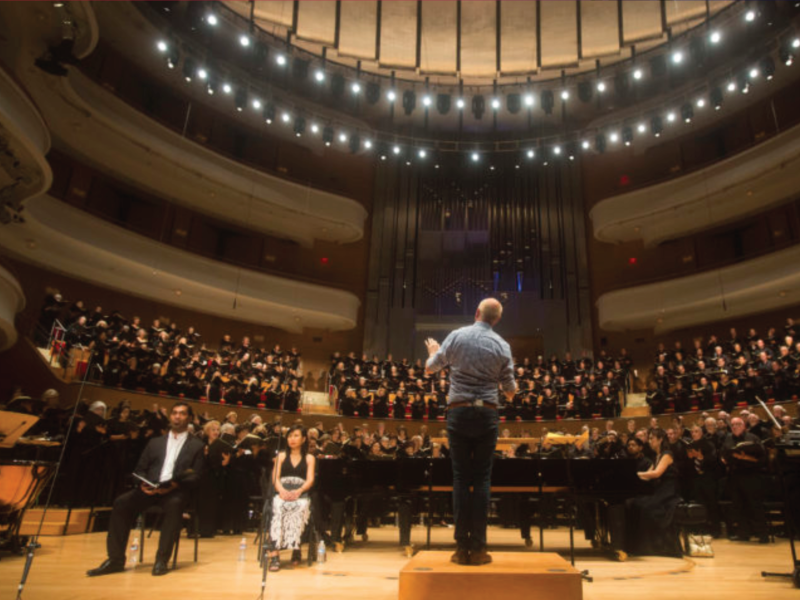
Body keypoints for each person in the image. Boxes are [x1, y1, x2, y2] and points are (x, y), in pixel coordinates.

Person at [425, 298, 516, 566]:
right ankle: (478, 548)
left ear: (476, 313)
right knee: (483, 479)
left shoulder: (457, 336)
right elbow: (510, 391)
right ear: (496, 320)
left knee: (461, 479)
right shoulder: (502, 345)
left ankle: (460, 547)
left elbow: (431, 367)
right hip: (487, 413)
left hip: (459, 411)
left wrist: (434, 350)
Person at [87, 403, 205, 577]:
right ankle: (115, 560)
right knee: (121, 503)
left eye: (182, 414)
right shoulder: (155, 442)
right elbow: (139, 469)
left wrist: (174, 485)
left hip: (174, 491)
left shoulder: (197, 445)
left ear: (188, 418)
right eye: (174, 413)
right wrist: (142, 484)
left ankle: (161, 560)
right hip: (149, 489)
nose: (177, 417)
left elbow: (196, 475)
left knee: (175, 506)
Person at [268, 425, 316, 572]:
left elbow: (310, 480)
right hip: (282, 492)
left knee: (299, 508)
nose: (292, 439)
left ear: (303, 439)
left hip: (300, 494)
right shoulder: (281, 456)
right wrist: (282, 491)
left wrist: (298, 491)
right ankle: (274, 554)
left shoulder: (309, 458)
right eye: (289, 436)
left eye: (296, 436)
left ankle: (296, 547)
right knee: (278, 509)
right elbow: (275, 478)